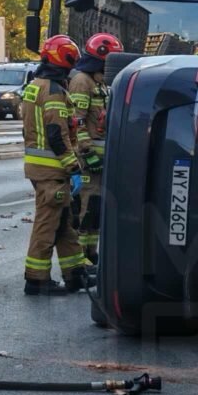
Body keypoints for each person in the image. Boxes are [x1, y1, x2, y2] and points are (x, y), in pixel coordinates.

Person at [22, 35, 87, 295]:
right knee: (47, 224)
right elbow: (56, 135)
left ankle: (75, 274)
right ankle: (36, 280)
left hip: (42, 168)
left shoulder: (35, 85)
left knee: (64, 222)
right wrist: (74, 168)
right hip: (52, 169)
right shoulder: (54, 91)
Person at [69, 32, 123, 273]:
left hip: (102, 158)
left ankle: (91, 253)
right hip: (88, 158)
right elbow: (77, 121)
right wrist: (87, 151)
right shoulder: (82, 81)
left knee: (96, 208)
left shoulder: (100, 83)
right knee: (85, 208)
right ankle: (80, 258)